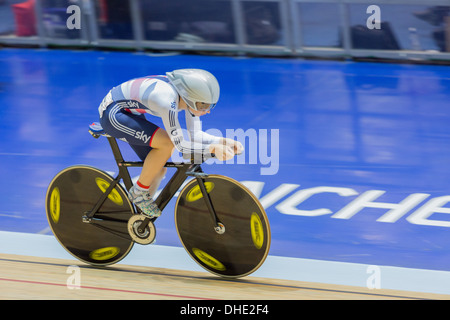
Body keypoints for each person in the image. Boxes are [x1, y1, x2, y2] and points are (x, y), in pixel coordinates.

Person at [98, 68, 243, 217]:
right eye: (203, 106)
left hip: (130, 113)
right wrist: (212, 148)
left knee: (158, 170)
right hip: (114, 114)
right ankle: (138, 193)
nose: (207, 111)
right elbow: (180, 146)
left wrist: (222, 141)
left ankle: (140, 216)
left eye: (210, 106)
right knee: (167, 144)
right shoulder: (166, 100)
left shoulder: (187, 95)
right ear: (190, 98)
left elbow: (195, 135)